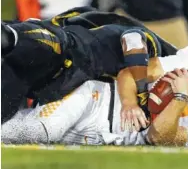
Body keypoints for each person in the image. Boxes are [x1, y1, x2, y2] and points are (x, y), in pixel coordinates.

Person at [2, 46, 188, 146]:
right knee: (41, 130)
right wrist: (131, 104)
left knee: (19, 123)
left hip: (100, 138)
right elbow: (129, 74)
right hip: (97, 101)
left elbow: (158, 136)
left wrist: (180, 98)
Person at [1, 7, 178, 123]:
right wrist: (140, 94)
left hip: (41, 84)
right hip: (63, 53)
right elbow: (133, 40)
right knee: (19, 41)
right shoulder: (154, 51)